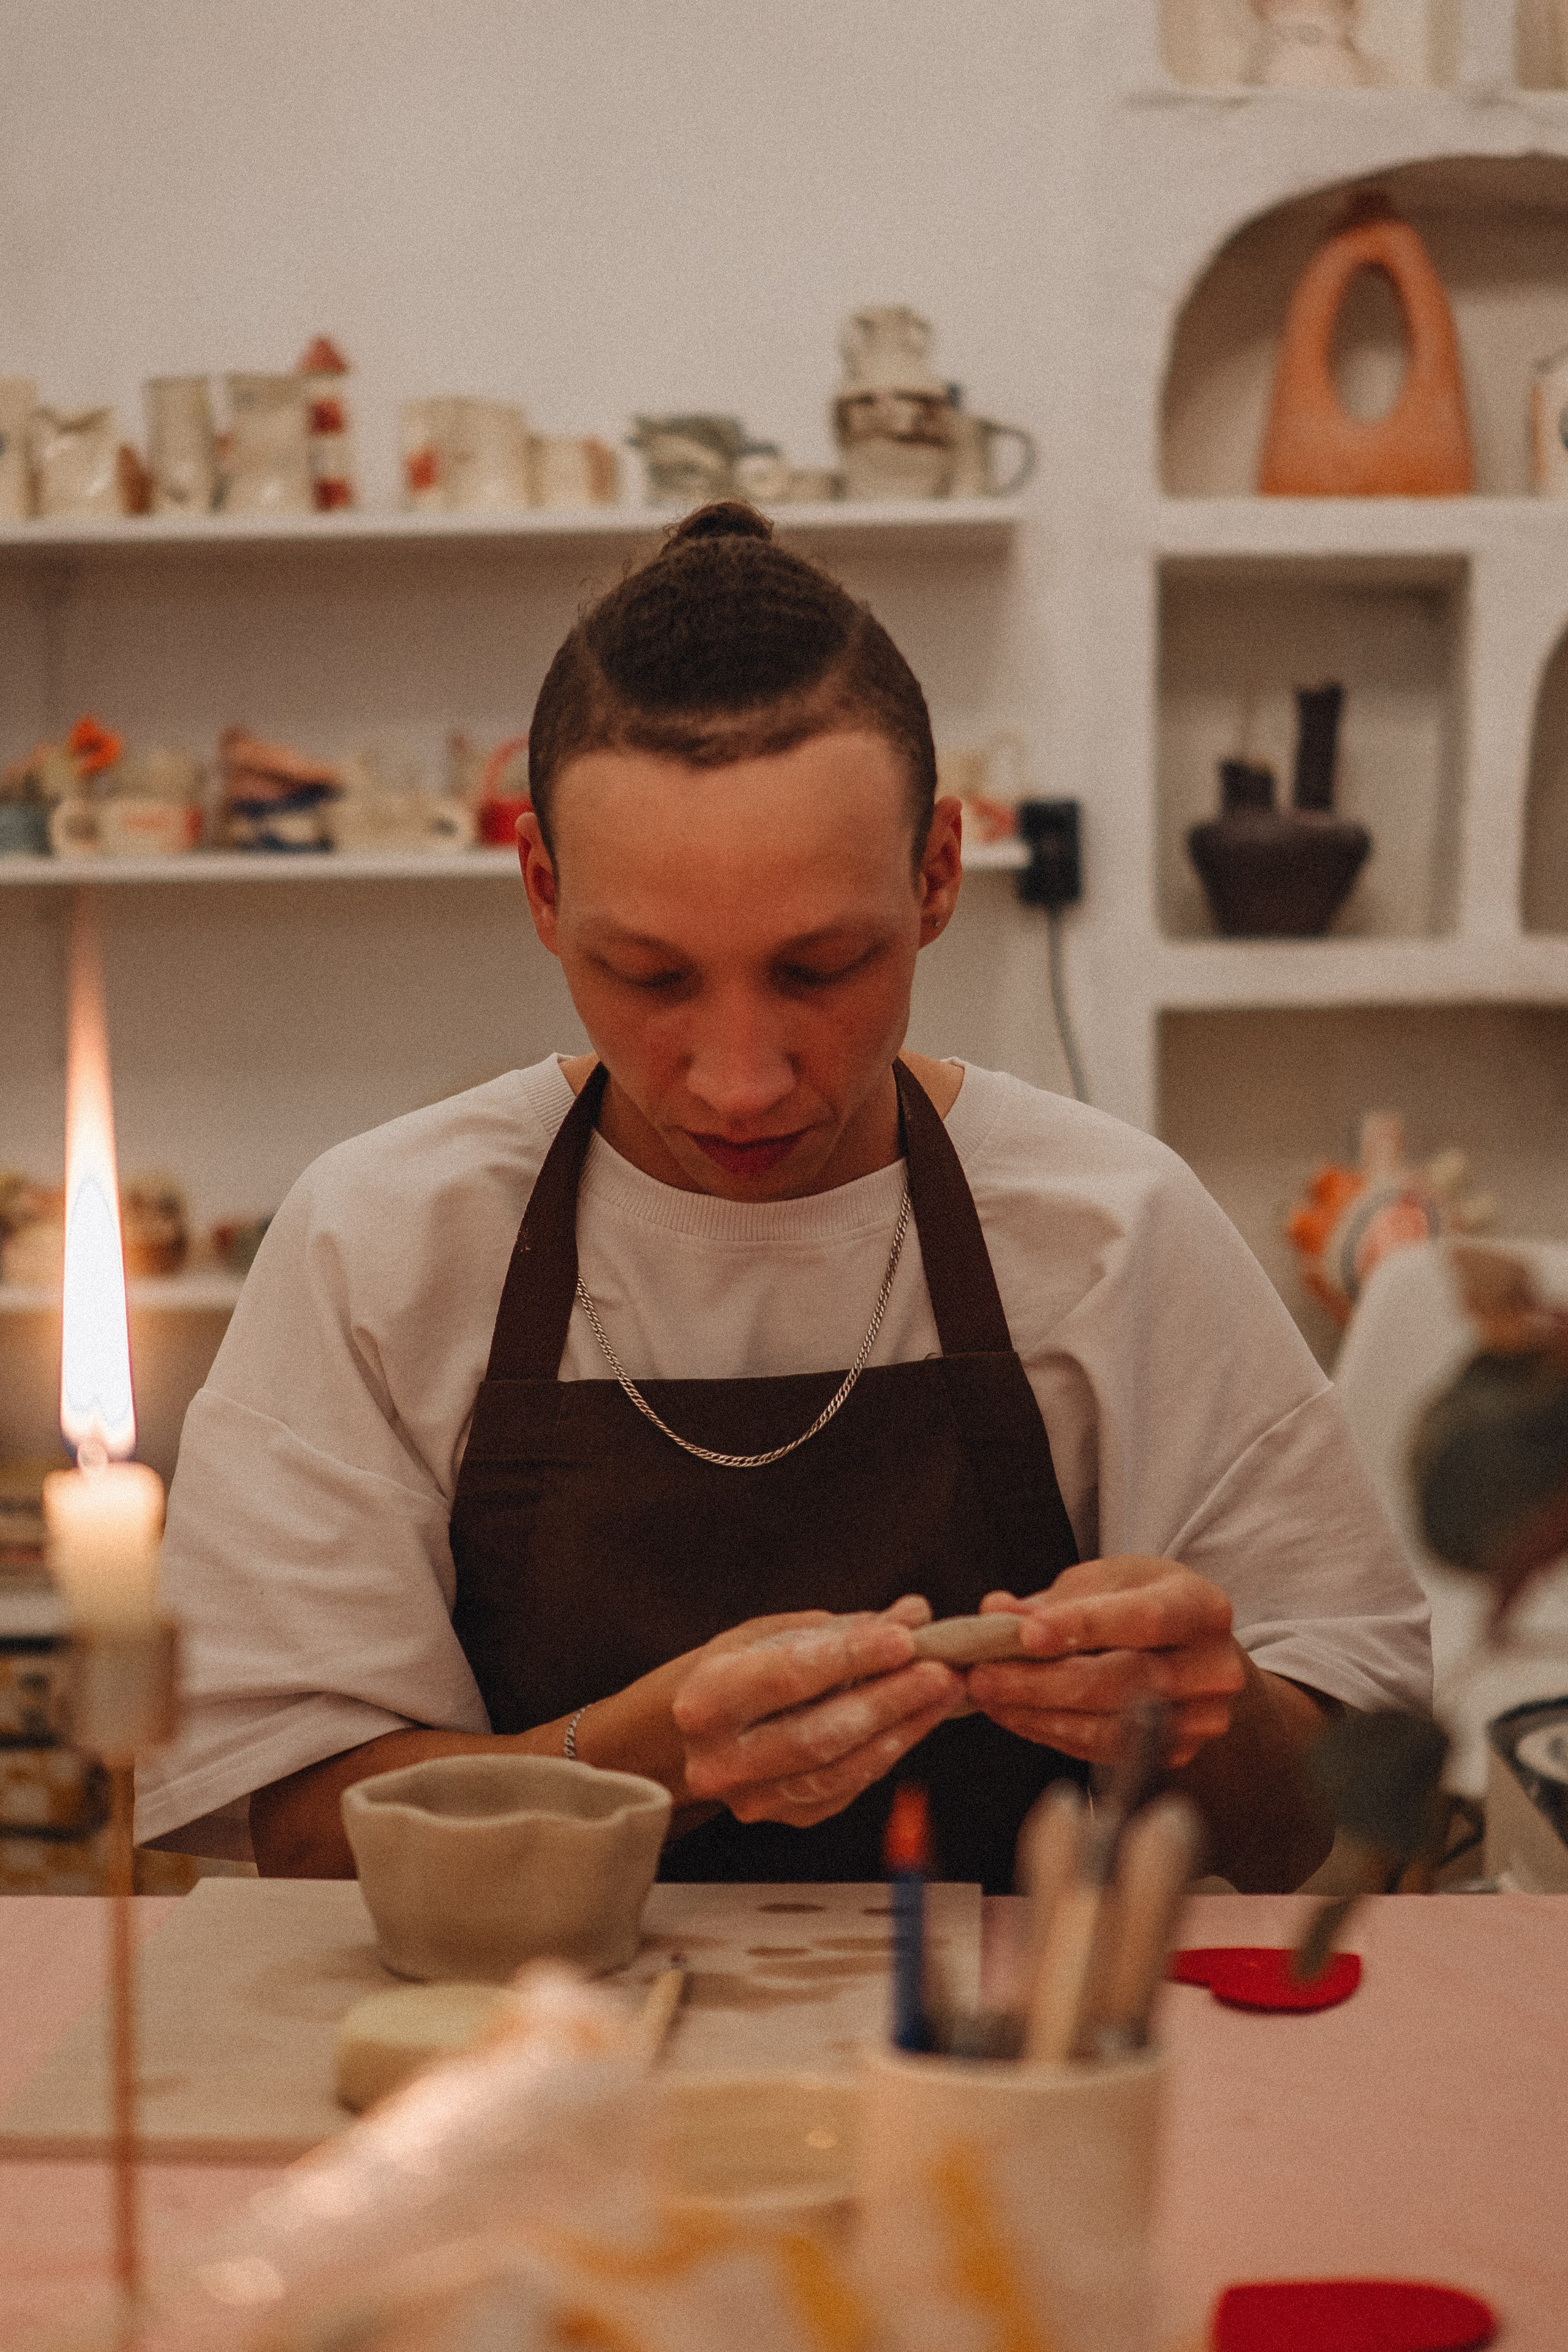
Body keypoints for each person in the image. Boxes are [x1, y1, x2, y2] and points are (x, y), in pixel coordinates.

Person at [138, 503, 1430, 1894]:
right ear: (540, 892)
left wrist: (1204, 1715)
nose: (740, 1081)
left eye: (817, 969)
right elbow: (297, 1839)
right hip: (516, 2066)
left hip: (1011, 2074)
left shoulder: (1115, 1232)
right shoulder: (381, 1243)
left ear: (936, 875)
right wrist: (645, 1759)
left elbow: (1336, 1832)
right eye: (650, 976)